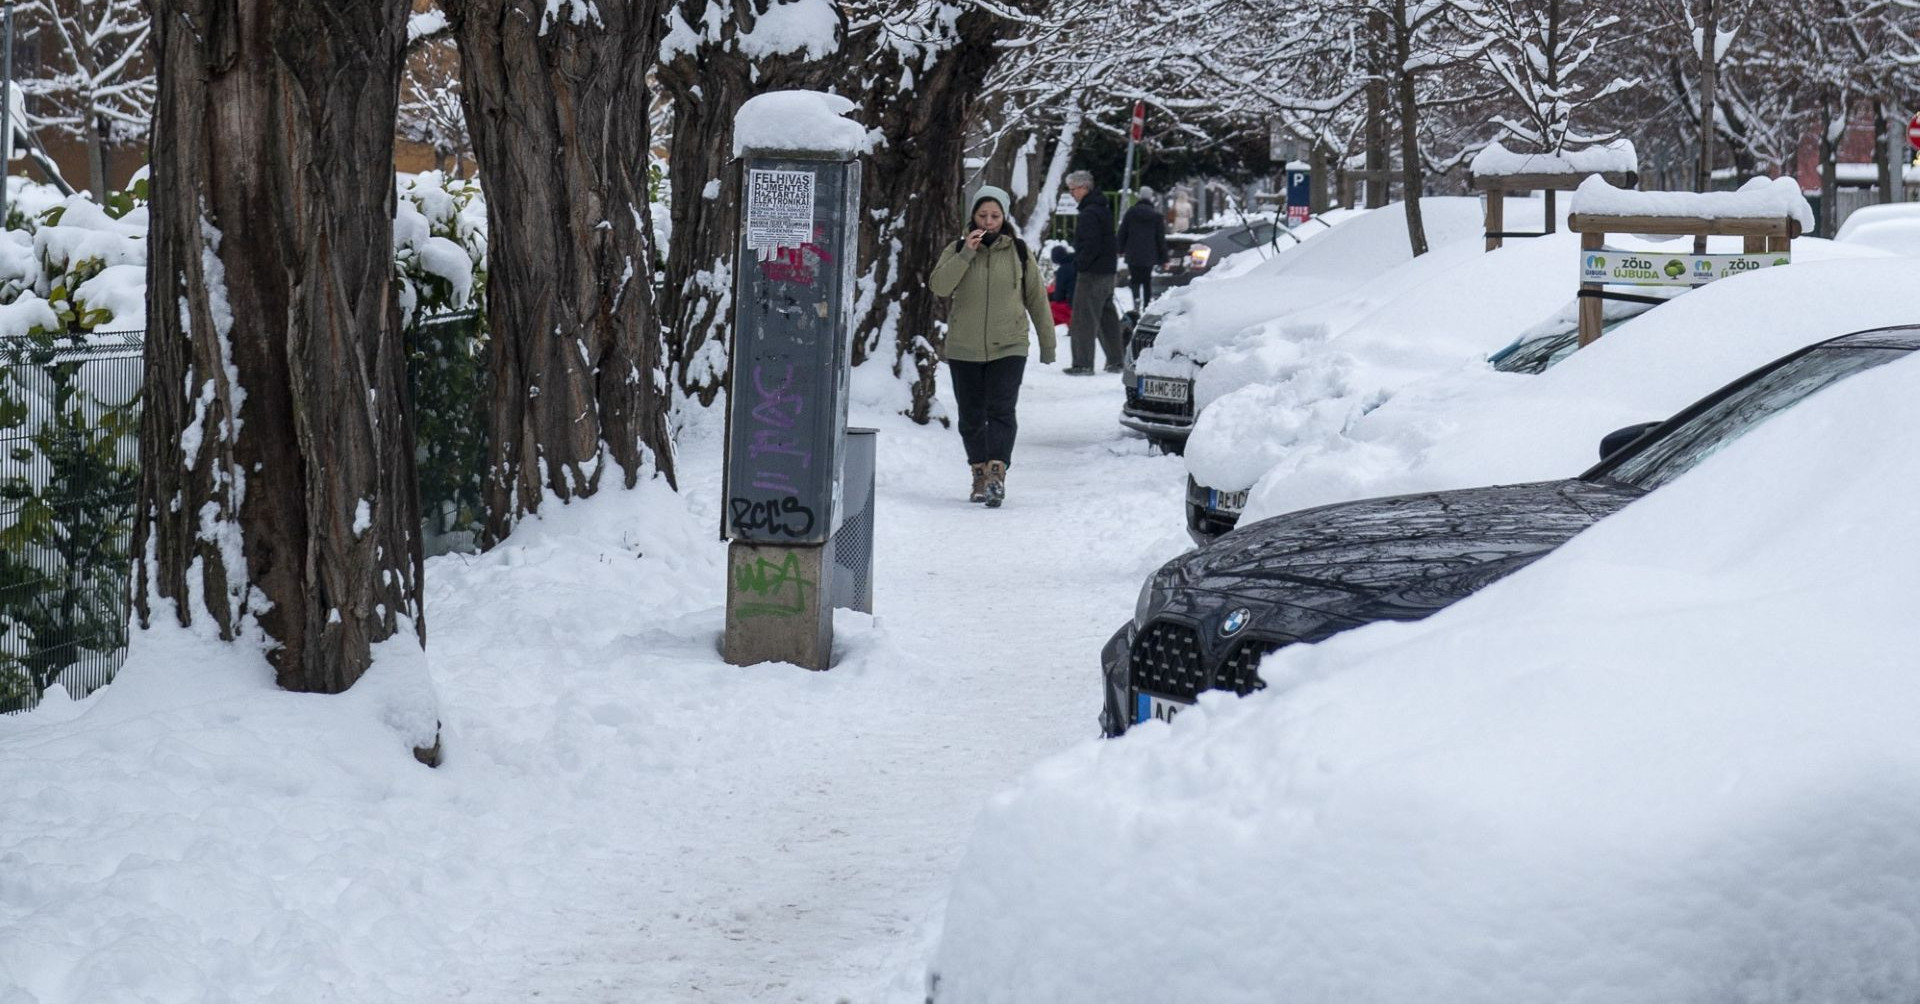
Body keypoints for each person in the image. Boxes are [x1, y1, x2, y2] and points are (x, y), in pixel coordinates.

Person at [929, 185, 1056, 508]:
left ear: (1004, 217)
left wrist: (1047, 343)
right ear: (972, 216)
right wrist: (966, 254)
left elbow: (1037, 299)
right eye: (982, 215)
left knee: (1001, 410)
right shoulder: (956, 248)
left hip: (1009, 345)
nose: (988, 222)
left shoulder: (1019, 252)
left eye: (995, 216)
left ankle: (996, 472)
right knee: (971, 416)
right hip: (964, 348)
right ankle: (979, 473)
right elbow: (940, 287)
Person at [1063, 170, 1123, 374]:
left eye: (1073, 189)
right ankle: (1116, 360)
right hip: (1107, 270)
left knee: (1083, 318)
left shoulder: (1089, 213)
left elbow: (1090, 244)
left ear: (1084, 188)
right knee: (1107, 317)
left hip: (1092, 272)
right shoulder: (1102, 208)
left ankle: (1082, 363)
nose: (1071, 194)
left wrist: (1080, 263)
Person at [1116, 186, 1169, 312]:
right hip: (1149, 254)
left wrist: (1120, 249)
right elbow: (1160, 238)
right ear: (1151, 198)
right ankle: (1146, 305)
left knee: (1134, 279)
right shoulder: (1156, 216)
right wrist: (1164, 258)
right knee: (1146, 280)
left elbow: (1123, 232)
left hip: (1133, 252)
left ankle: (1136, 300)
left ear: (1139, 197)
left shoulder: (1131, 213)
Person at [1047, 244, 1076, 328]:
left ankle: (1071, 323)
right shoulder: (1076, 262)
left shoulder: (1063, 270)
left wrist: (1049, 296)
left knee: (1049, 306)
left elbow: (1059, 296)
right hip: (1085, 301)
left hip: (1073, 305)